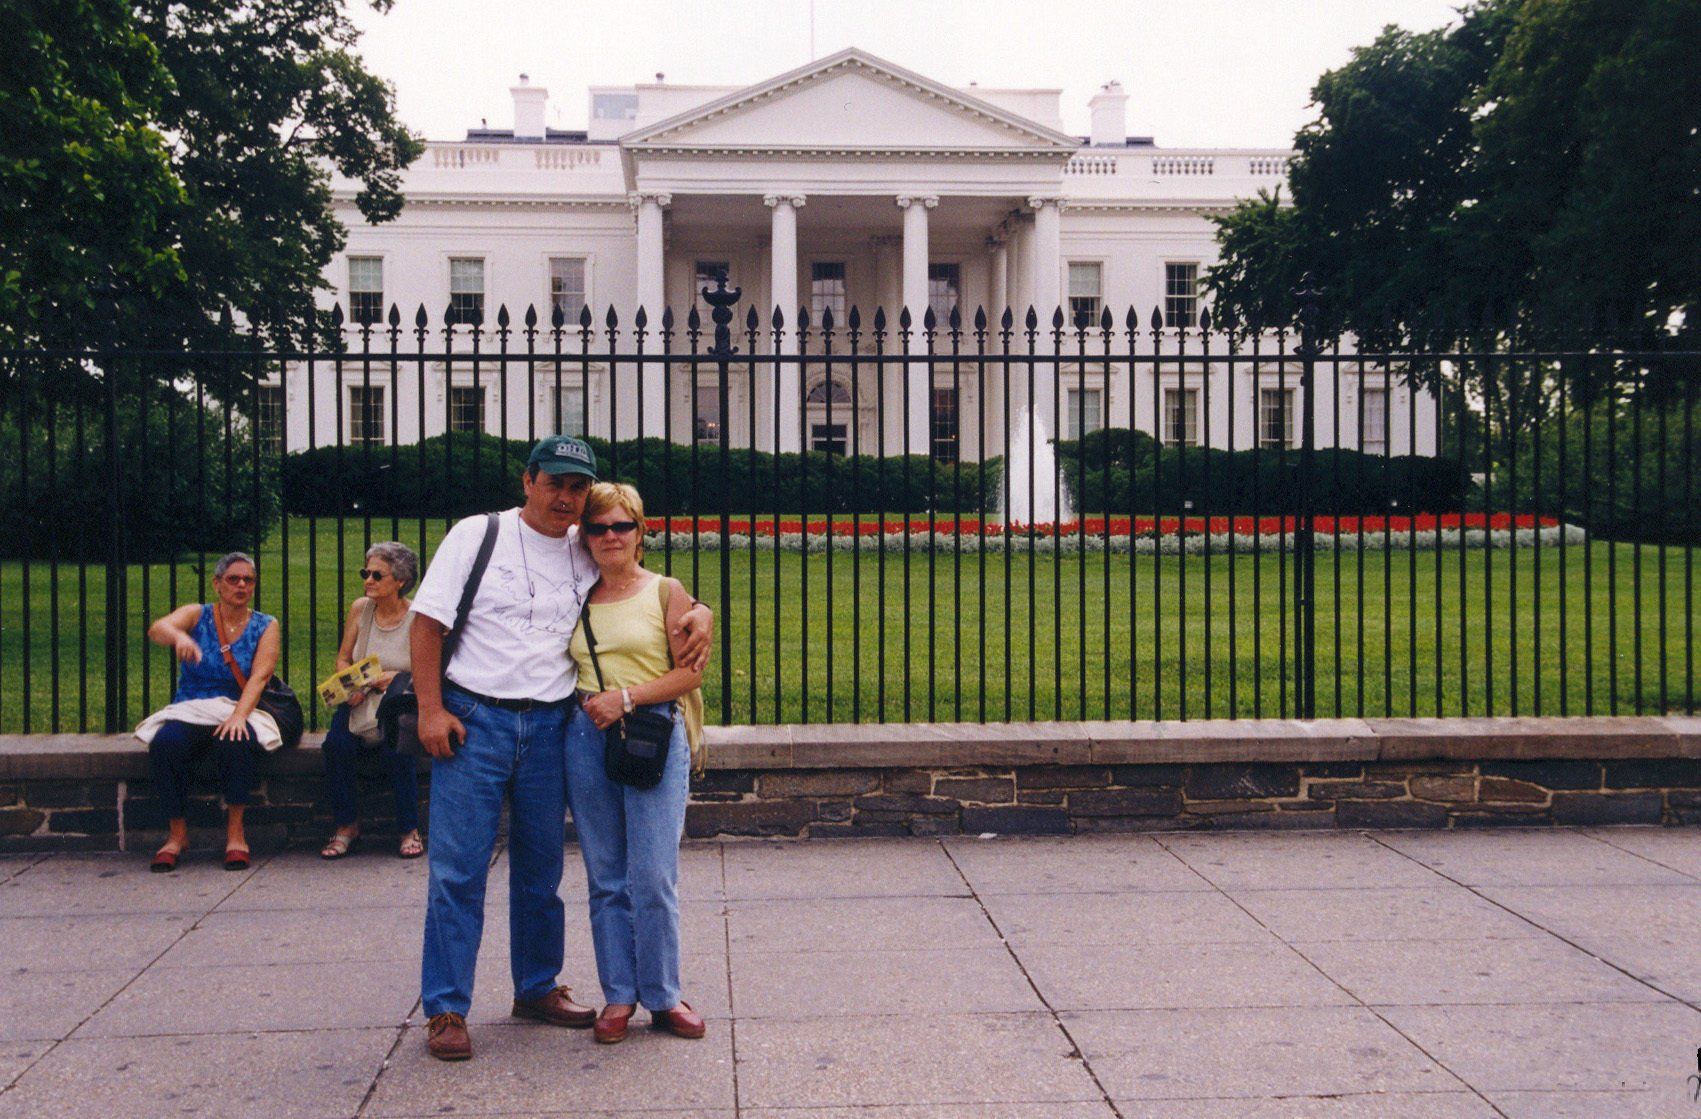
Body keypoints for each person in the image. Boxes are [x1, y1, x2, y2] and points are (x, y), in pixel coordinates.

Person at [408, 435, 713, 1062]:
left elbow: (638, 581)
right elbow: (427, 624)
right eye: (554, 483)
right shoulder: (479, 534)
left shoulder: (583, 545)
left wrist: (701, 609)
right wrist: (431, 709)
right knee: (458, 870)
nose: (566, 498)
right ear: (528, 481)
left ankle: (536, 986)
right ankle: (446, 1007)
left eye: (578, 487)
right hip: (475, 720)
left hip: (551, 725)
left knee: (541, 870)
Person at [566, 482, 706, 1044]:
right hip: (585, 735)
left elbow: (689, 673)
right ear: (585, 536)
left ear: (640, 531)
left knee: (652, 875)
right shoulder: (574, 594)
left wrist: (624, 699)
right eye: (598, 527)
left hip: (650, 732)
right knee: (605, 876)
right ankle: (619, 993)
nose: (610, 537)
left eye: (621, 525)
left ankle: (664, 995)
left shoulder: (665, 591)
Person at [136, 552, 282, 872]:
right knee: (166, 744)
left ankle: (236, 834)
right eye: (233, 579)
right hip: (192, 706)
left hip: (237, 705)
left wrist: (239, 716)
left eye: (248, 580)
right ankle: (177, 835)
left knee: (236, 741)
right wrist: (178, 636)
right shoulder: (197, 614)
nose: (241, 585)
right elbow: (158, 629)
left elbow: (260, 677)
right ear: (217, 584)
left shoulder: (266, 625)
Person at [319, 541, 425, 860]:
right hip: (359, 698)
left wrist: (394, 677)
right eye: (365, 573)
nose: (368, 580)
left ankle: (409, 828)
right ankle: (346, 826)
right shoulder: (360, 609)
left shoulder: (417, 617)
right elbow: (343, 657)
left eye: (378, 575)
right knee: (336, 746)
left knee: (398, 750)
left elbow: (428, 668)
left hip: (398, 700)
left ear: (401, 580)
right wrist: (348, 684)